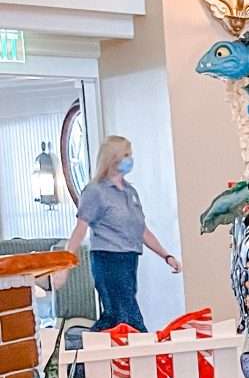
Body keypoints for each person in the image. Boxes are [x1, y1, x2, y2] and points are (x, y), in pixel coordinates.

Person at [65, 135, 182, 332]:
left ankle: (86, 356)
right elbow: (81, 227)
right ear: (113, 158)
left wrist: (166, 255)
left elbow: (142, 230)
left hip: (129, 259)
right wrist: (66, 261)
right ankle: (144, 350)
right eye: (126, 155)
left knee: (114, 317)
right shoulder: (96, 191)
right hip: (108, 259)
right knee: (126, 315)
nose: (130, 159)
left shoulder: (130, 192)